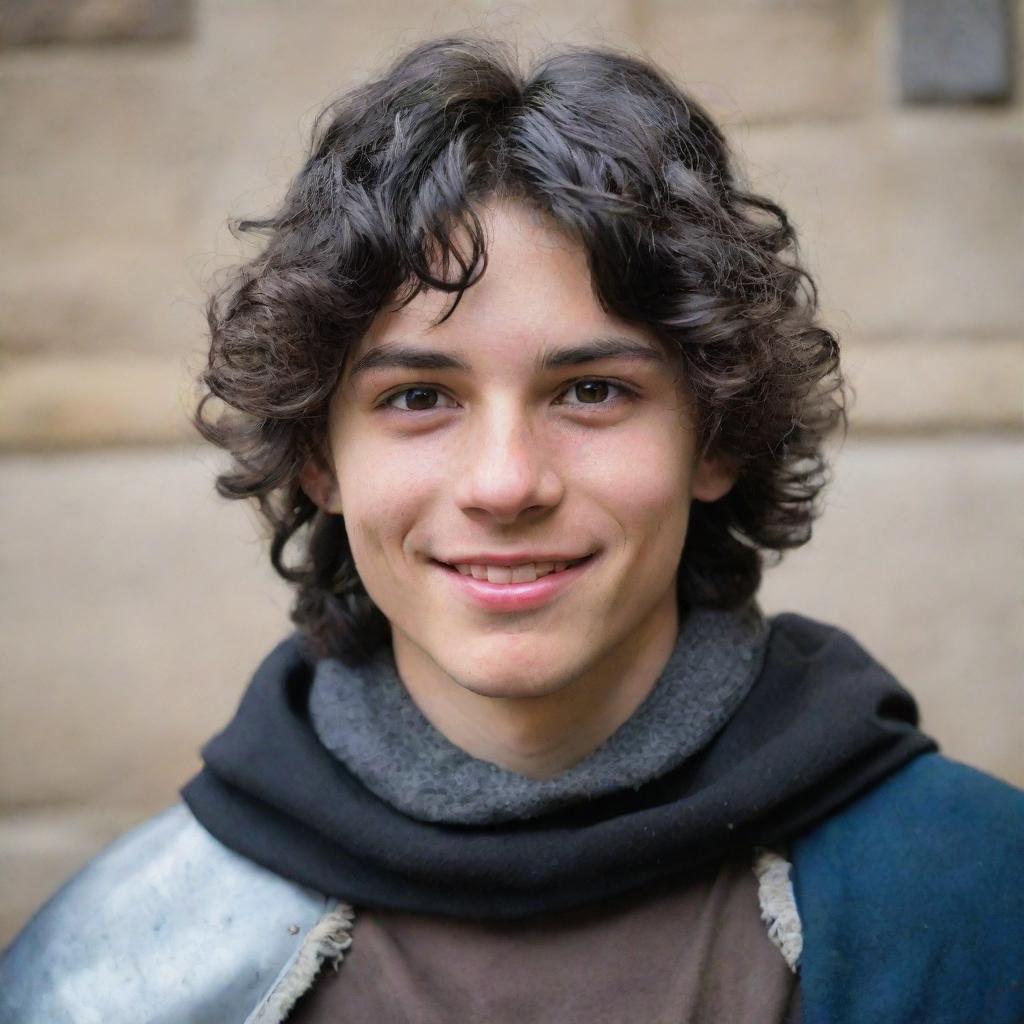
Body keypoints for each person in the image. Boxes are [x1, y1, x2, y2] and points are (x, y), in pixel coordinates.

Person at [2, 36, 1021, 1024]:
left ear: (715, 438)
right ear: (321, 458)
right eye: (417, 398)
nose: (504, 483)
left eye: (590, 390)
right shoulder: (107, 972)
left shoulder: (973, 901)